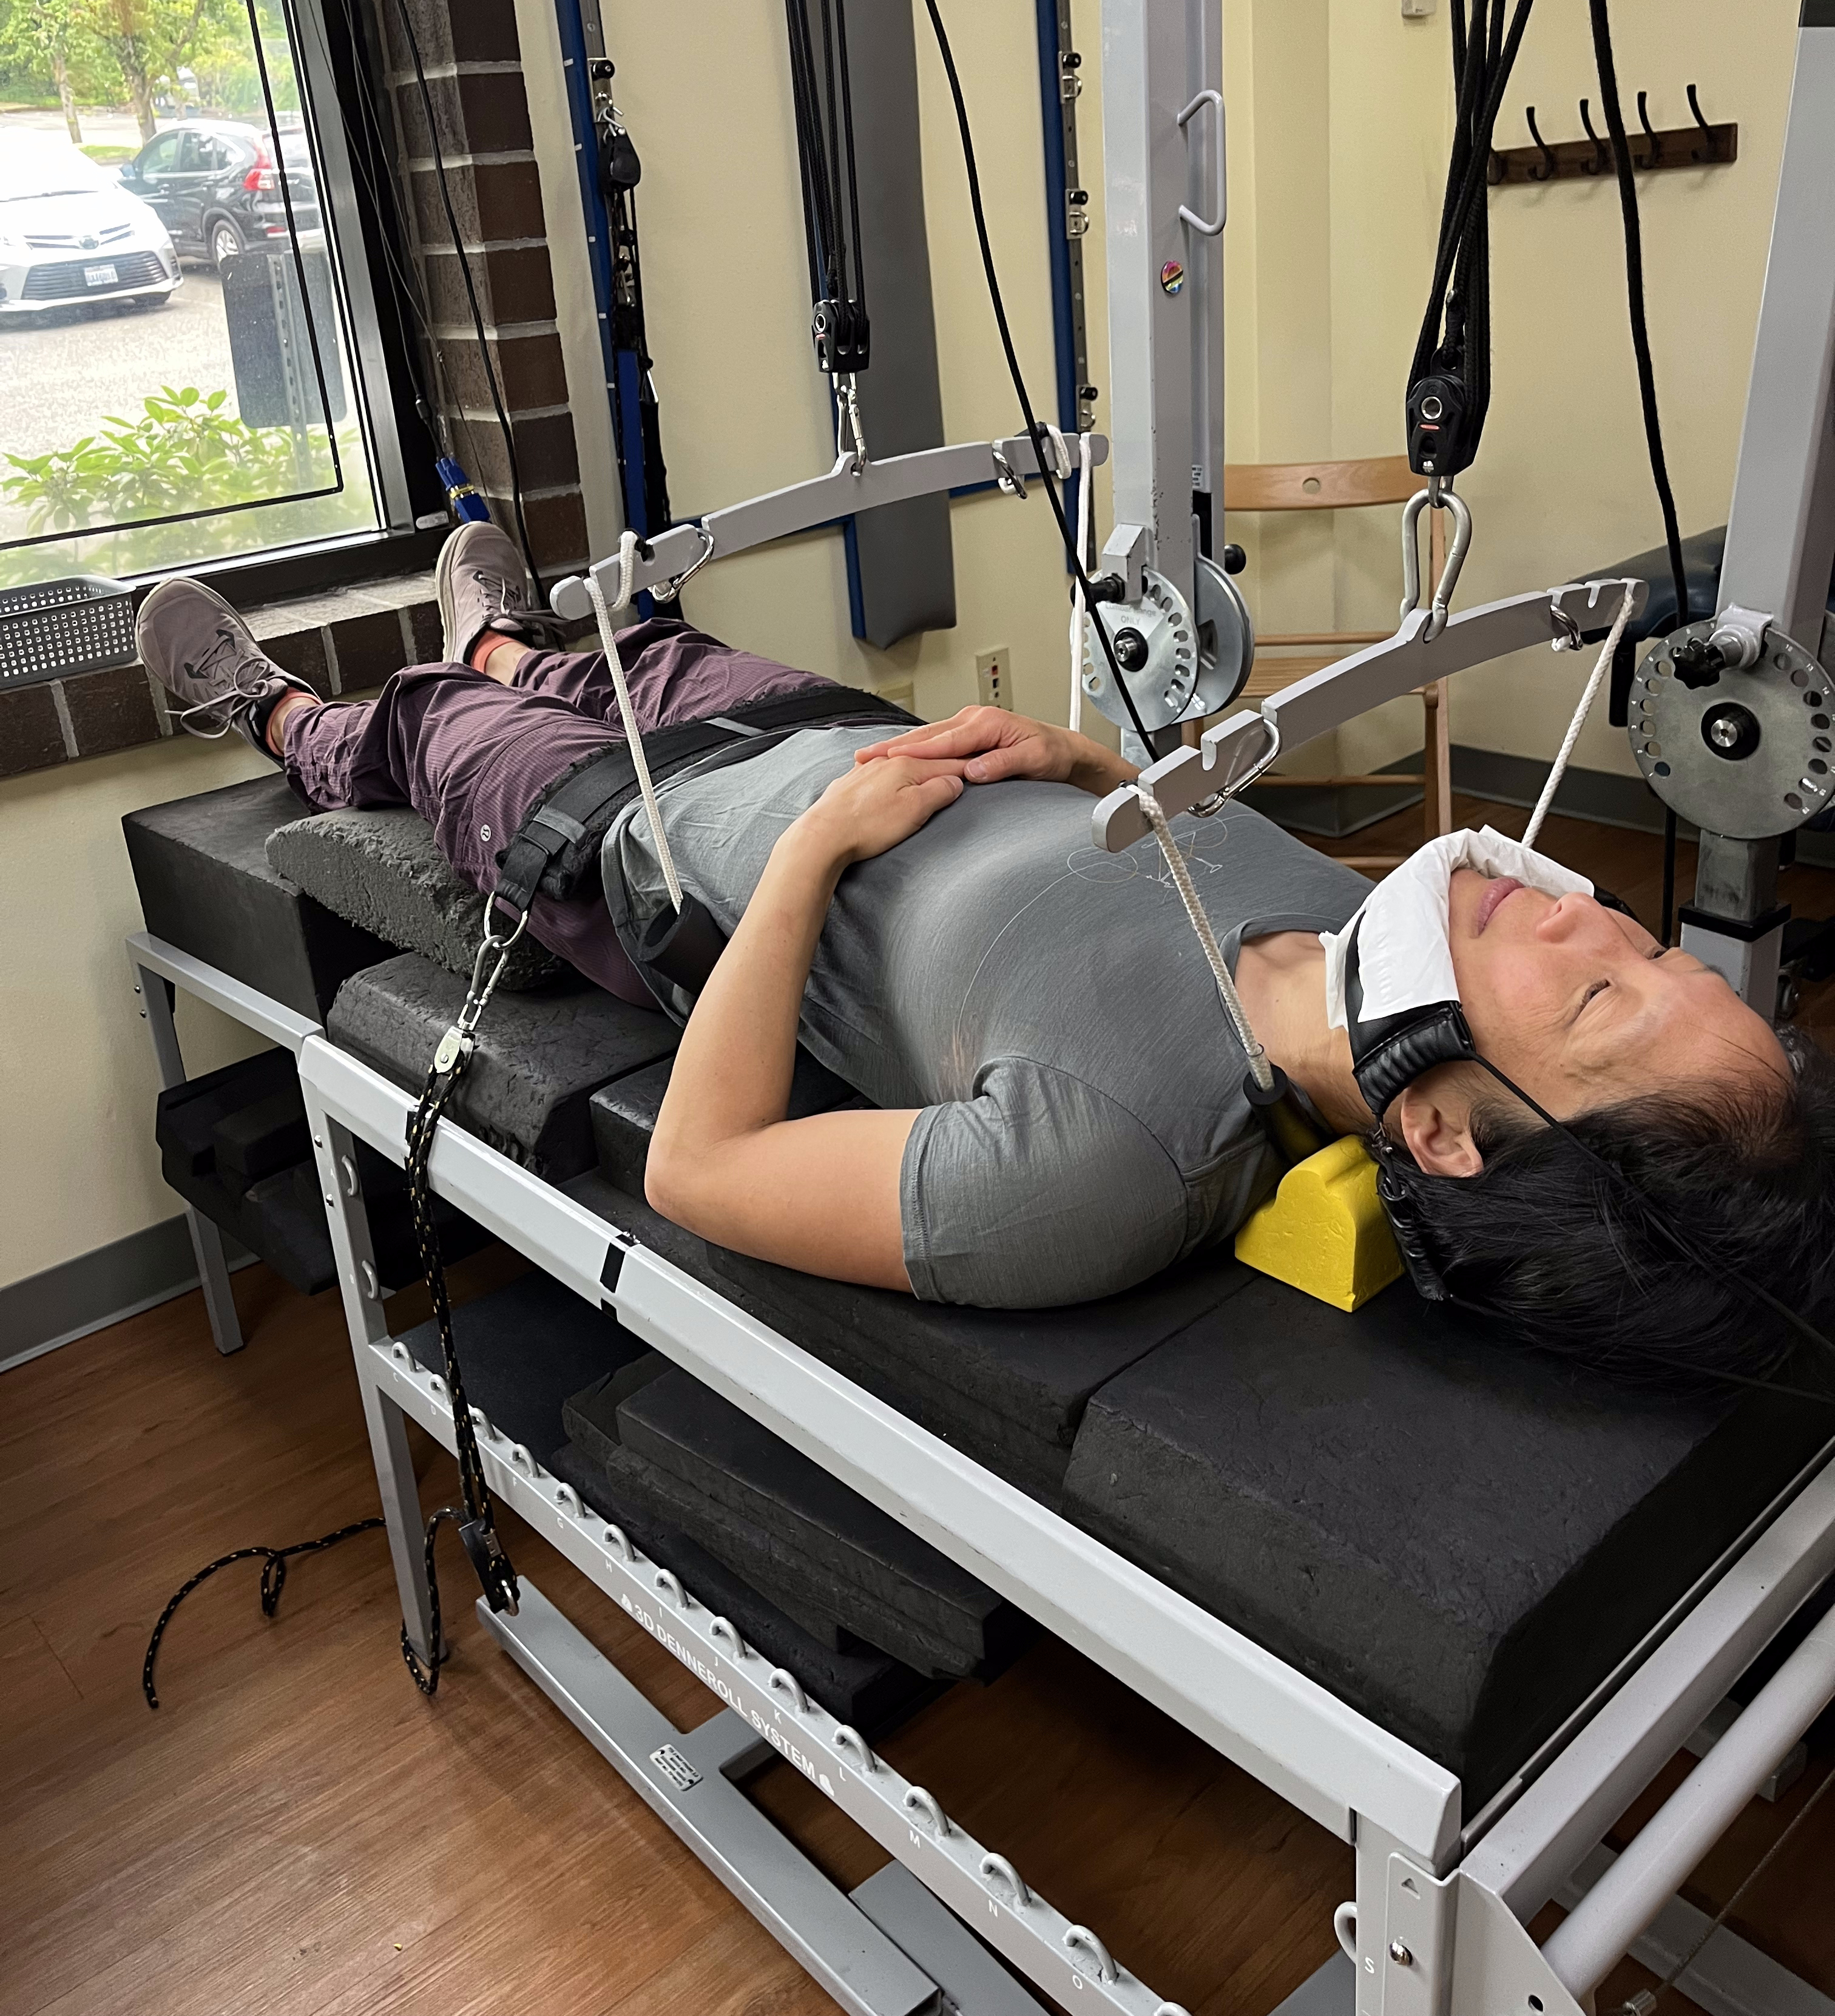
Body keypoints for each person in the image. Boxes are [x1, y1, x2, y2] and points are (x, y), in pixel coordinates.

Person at [135, 522, 1835, 1379]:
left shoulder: (1113, 1165)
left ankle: (285, 712)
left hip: (658, 863)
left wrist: (808, 858)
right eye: (1665, 947)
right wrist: (1085, 764)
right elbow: (1161, 858)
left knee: (438, 741)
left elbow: (711, 1171)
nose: (1594, 910)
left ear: (1448, 1135)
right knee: (636, 644)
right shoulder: (1359, 923)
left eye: (1608, 989)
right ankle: (506, 639)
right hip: (841, 739)